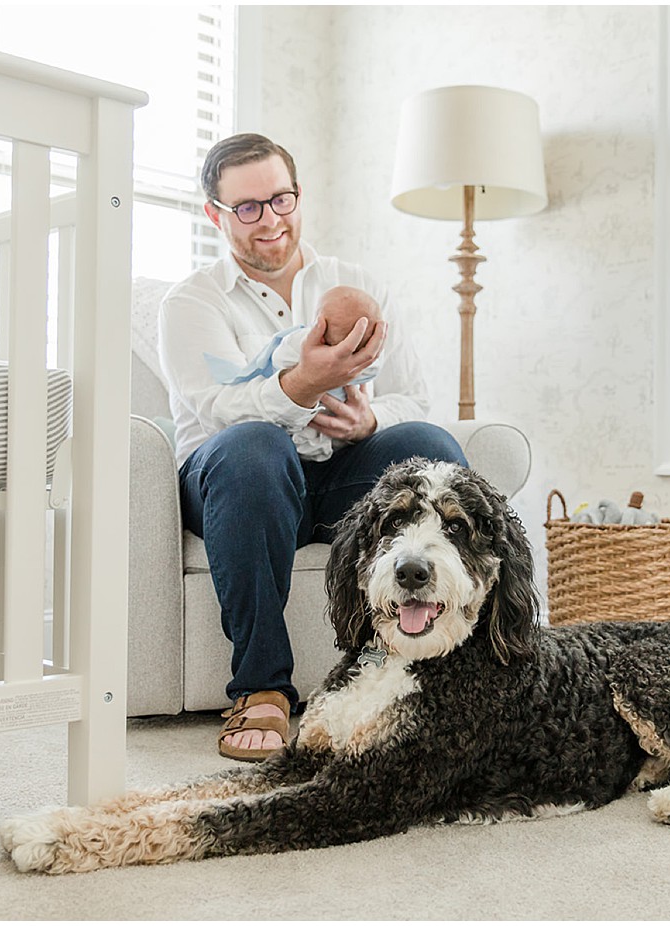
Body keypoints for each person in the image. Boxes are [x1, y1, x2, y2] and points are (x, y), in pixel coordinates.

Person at [158, 132, 470, 762]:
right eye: (248, 207)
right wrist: (303, 386)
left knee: (429, 446)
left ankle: (445, 665)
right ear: (215, 215)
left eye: (281, 199)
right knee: (254, 445)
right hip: (234, 485)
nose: (270, 220)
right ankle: (262, 688)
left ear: (299, 195)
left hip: (333, 480)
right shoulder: (191, 302)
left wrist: (368, 420)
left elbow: (413, 397)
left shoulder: (356, 286)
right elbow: (215, 410)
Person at [204, 284, 385, 462]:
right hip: (297, 443)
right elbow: (216, 413)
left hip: (326, 434)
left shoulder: (297, 343)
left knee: (410, 435)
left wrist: (369, 422)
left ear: (319, 327)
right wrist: (306, 382)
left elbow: (278, 359)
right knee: (254, 439)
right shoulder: (368, 362)